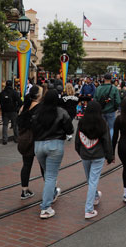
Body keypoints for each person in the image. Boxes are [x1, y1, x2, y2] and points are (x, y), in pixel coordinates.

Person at [32, 89, 74, 219]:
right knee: (50, 176)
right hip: (55, 145)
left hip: (38, 145)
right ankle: (45, 207)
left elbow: (31, 126)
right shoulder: (61, 112)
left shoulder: (37, 112)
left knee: (47, 173)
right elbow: (69, 128)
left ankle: (53, 192)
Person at [75, 101, 114, 219]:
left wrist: (79, 151)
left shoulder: (81, 123)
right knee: (93, 181)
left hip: (85, 155)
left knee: (90, 179)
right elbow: (107, 141)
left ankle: (96, 196)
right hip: (98, 155)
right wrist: (109, 156)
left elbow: (78, 140)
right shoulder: (102, 123)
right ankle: (89, 209)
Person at [17, 85, 42, 200]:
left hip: (24, 140)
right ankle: (50, 188)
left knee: (26, 165)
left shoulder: (23, 107)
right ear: (38, 95)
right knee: (43, 166)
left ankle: (24, 190)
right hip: (36, 140)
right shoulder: (40, 108)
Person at [95, 74, 121, 138]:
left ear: (104, 79)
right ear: (111, 79)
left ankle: (101, 142)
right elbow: (118, 101)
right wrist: (115, 108)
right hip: (111, 111)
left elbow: (95, 100)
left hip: (101, 111)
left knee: (101, 127)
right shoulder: (114, 89)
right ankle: (110, 143)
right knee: (111, 128)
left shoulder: (98, 88)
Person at [0, 80, 22, 145]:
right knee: (15, 125)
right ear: (12, 85)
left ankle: (4, 139)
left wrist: (2, 109)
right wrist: (17, 108)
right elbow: (20, 102)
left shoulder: (2, 93)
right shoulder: (14, 92)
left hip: (5, 111)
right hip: (13, 111)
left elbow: (0, 102)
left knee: (5, 125)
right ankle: (16, 138)